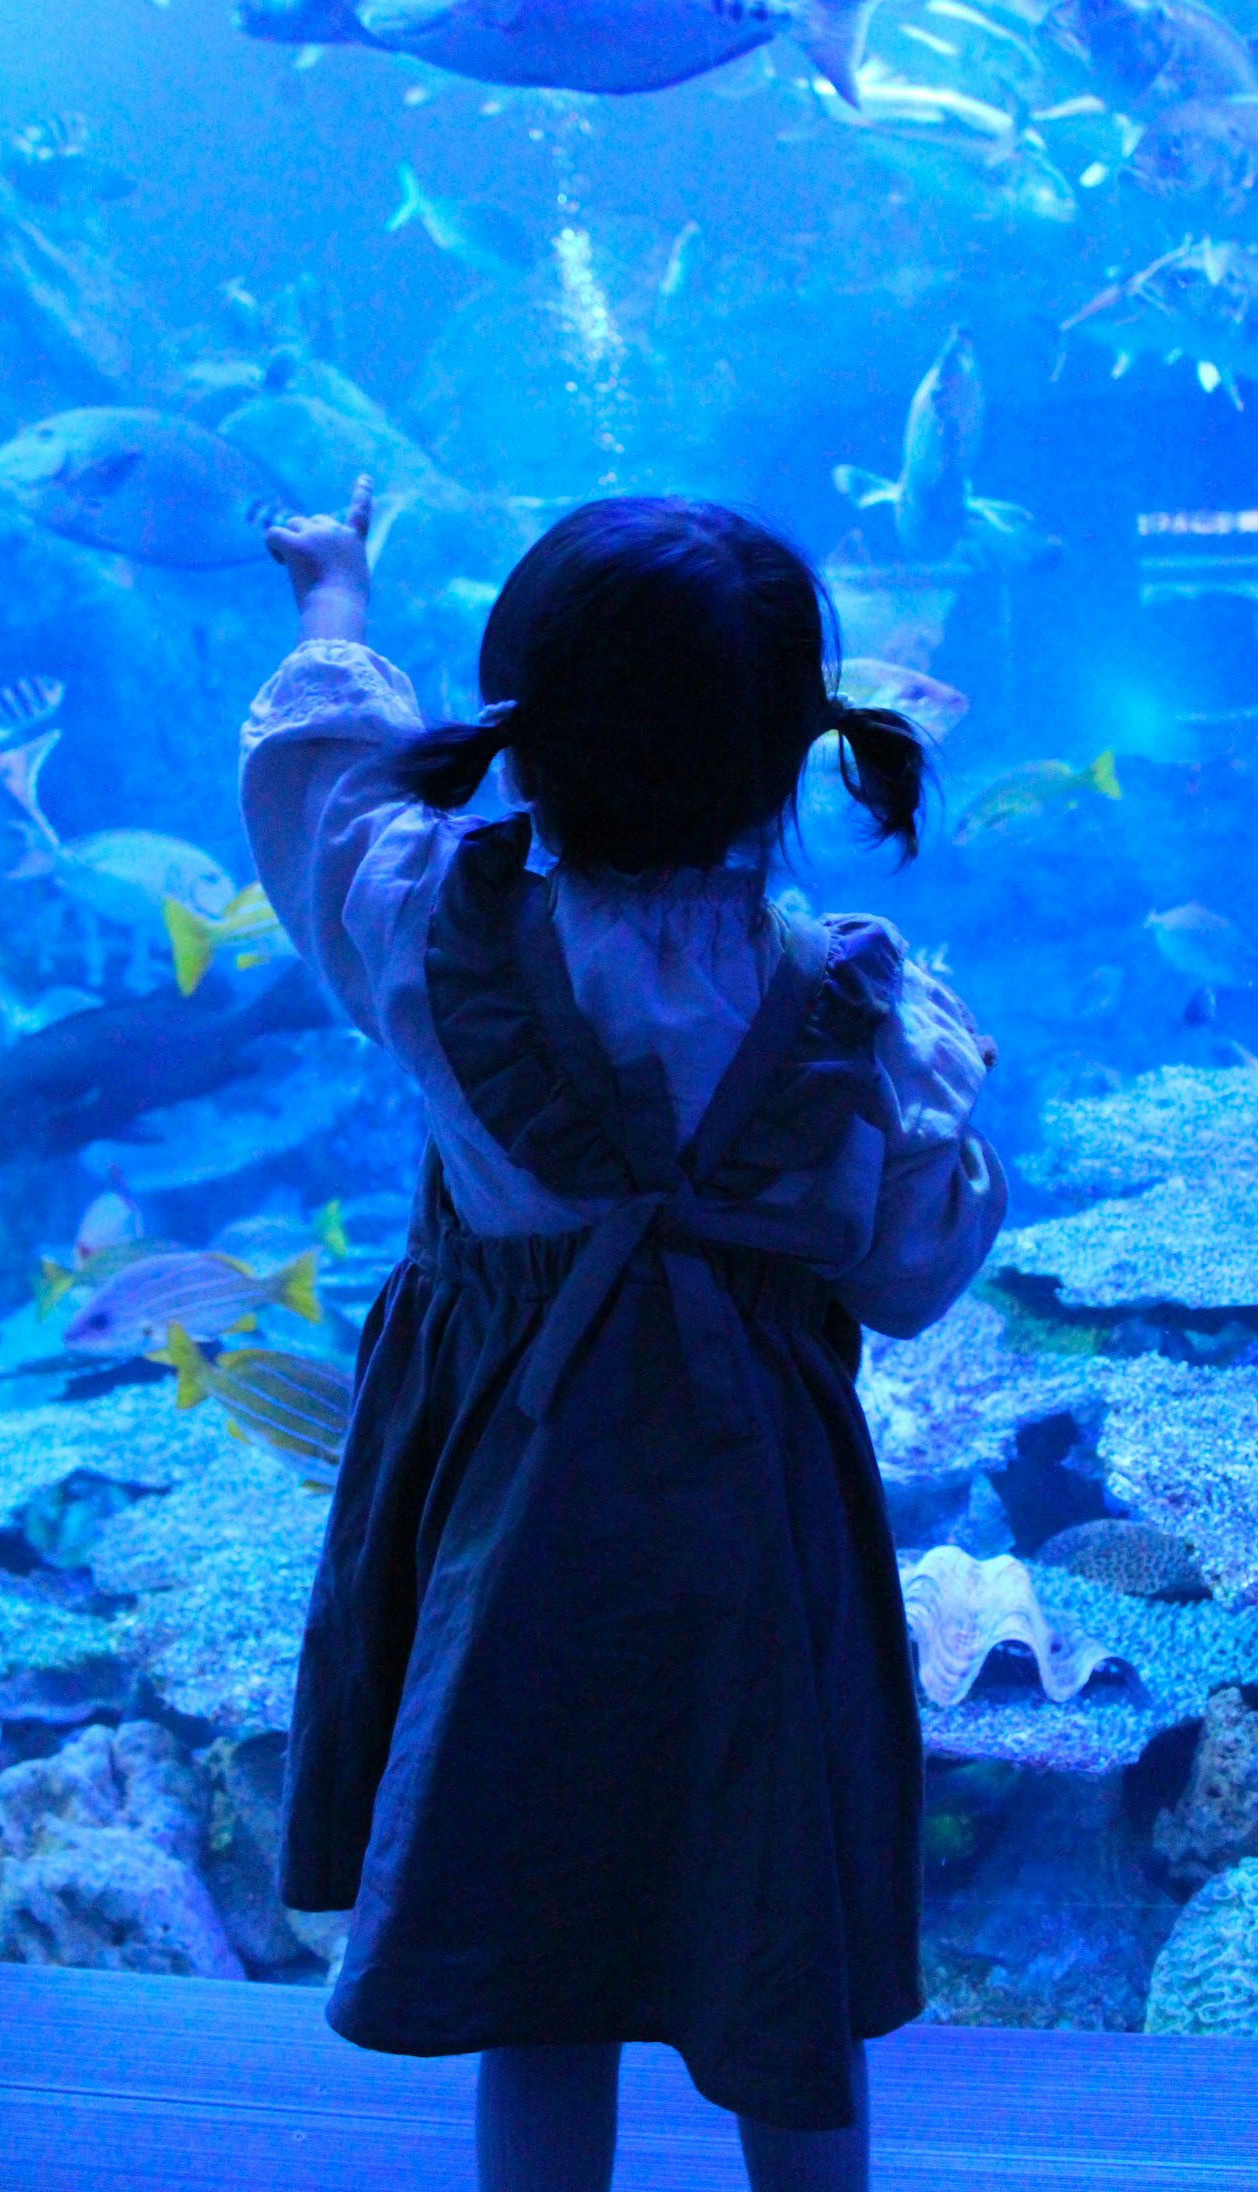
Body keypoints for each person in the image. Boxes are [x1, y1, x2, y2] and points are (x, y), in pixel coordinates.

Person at [242, 475, 1006, 2192]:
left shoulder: (430, 932)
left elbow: (318, 795)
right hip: (759, 1527)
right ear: (794, 747)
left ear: (521, 729)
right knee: (776, 1904)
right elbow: (912, 1268)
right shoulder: (851, 1006)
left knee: (536, 1930)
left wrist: (338, 603)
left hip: (512, 1509)